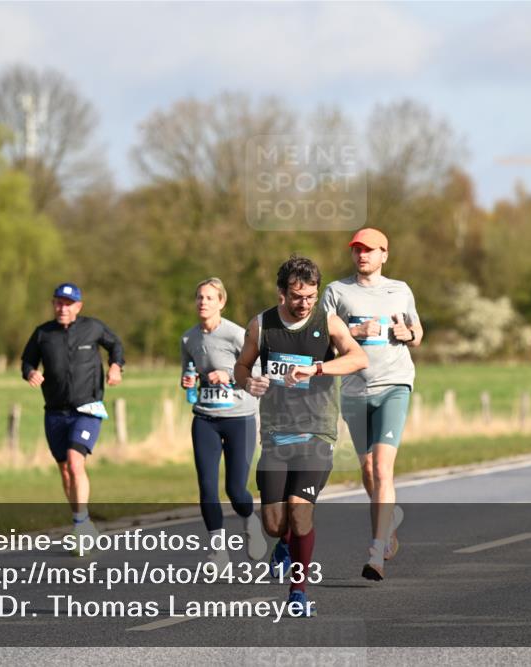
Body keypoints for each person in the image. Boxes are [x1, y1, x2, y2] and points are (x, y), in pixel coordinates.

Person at [235, 256, 367, 617]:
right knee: (275, 523)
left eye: (311, 295)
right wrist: (249, 382)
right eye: (297, 296)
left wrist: (319, 367)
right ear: (281, 294)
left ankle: (298, 591)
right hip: (276, 434)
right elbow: (241, 366)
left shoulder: (329, 323)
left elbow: (358, 358)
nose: (305, 302)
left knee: (300, 511)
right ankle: (284, 543)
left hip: (317, 432)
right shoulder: (262, 325)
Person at [321, 228, 423, 581]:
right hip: (353, 391)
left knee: (382, 468)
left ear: (384, 254)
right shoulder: (336, 292)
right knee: (366, 471)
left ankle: (377, 551)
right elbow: (323, 346)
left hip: (395, 385)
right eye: (356, 250)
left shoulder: (401, 290)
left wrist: (407, 335)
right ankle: (387, 521)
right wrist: (352, 335)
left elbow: (418, 332)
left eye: (369, 250)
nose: (362, 255)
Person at [21, 283, 124, 541]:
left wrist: (115, 367)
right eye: (58, 302)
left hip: (87, 407)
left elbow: (116, 345)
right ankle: (83, 521)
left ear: (78, 306)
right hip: (55, 412)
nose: (62, 308)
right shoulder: (43, 333)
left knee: (75, 461)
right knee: (65, 471)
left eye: (68, 304)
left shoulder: (93, 328)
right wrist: (30, 372)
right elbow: (27, 360)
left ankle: (79, 527)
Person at [180, 277, 265, 567]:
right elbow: (189, 376)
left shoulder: (236, 335)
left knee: (236, 490)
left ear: (221, 303)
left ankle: (249, 520)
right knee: (206, 486)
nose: (203, 302)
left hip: (239, 417)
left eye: (209, 298)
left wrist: (228, 374)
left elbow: (258, 369)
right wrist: (187, 381)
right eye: (199, 297)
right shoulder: (189, 338)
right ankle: (219, 550)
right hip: (205, 417)